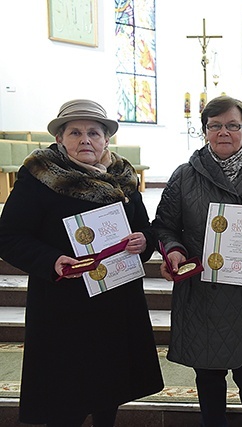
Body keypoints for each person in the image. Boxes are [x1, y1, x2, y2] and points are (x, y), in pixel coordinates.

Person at [0, 99, 164, 426]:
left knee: (110, 388)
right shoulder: (38, 176)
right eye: (75, 132)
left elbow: (145, 228)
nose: (85, 139)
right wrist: (51, 261)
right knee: (65, 399)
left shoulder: (123, 177)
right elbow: (9, 236)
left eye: (94, 132)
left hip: (114, 301)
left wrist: (144, 241)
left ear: (106, 140)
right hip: (63, 305)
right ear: (60, 139)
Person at [152, 95, 242, 427]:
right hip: (202, 289)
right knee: (208, 374)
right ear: (205, 130)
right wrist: (172, 249)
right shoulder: (184, 175)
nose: (224, 132)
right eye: (215, 125)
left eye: (232, 125)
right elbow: (163, 226)